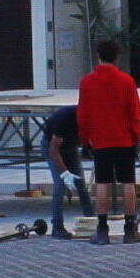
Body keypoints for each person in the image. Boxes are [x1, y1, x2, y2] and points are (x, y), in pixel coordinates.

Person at [76, 41, 140, 243]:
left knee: (103, 183)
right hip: (124, 138)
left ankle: (102, 229)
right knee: (128, 182)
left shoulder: (87, 82)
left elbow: (83, 114)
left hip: (100, 139)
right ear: (117, 57)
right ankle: (130, 228)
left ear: (98, 55)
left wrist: (85, 139)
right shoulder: (126, 80)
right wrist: (137, 135)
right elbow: (135, 112)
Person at [40, 99, 87, 234]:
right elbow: (53, 150)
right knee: (60, 186)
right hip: (52, 147)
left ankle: (92, 222)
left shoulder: (90, 118)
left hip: (71, 147)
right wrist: (65, 173)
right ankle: (57, 226)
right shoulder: (64, 119)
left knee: (81, 184)